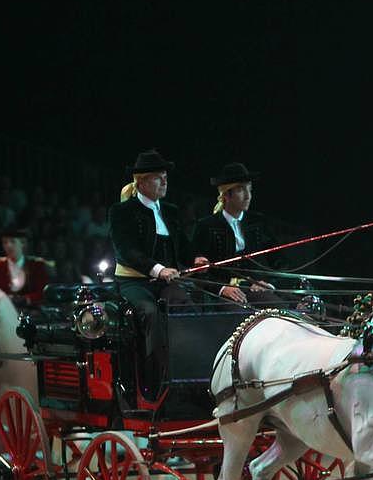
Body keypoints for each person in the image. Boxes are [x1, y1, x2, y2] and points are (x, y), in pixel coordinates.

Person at [107, 150, 239, 411]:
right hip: (134, 283)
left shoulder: (170, 211)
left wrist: (195, 260)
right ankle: (154, 382)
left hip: (165, 282)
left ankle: (194, 378)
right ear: (142, 182)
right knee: (149, 313)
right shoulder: (121, 211)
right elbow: (128, 251)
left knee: (186, 308)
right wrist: (158, 269)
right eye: (158, 178)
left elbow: (182, 247)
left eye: (165, 177)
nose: (164, 182)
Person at [192, 162, 282, 304]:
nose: (248, 196)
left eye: (250, 190)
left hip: (255, 290)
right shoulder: (206, 225)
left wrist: (267, 282)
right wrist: (222, 288)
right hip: (223, 296)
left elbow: (280, 261)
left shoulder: (257, 222)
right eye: (241, 190)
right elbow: (197, 272)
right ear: (226, 195)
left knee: (277, 308)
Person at [0, 226, 53, 307]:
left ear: (22, 243)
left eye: (12, 242)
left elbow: (43, 291)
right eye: (5, 242)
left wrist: (26, 299)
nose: (8, 245)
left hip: (31, 311)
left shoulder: (36, 265)